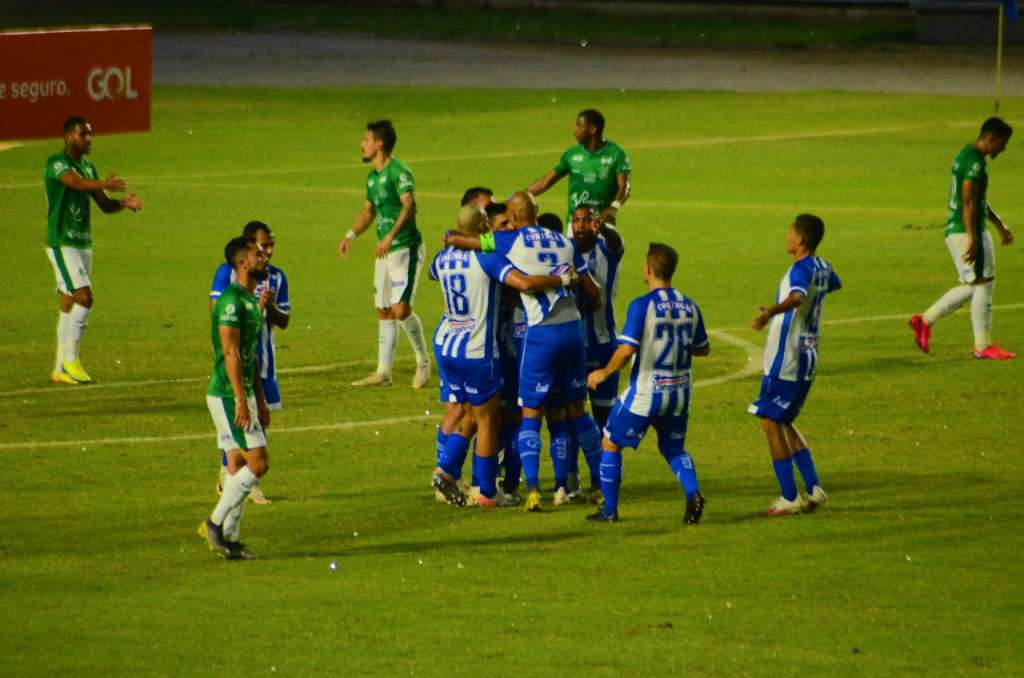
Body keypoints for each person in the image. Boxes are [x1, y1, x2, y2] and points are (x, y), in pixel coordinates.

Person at [445, 192, 605, 512]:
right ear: (537, 212)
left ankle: (532, 489)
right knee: (576, 410)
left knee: (530, 413)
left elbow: (463, 242)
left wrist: (459, 237)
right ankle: (597, 483)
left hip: (540, 335)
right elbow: (593, 292)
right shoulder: (564, 241)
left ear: (515, 218)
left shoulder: (510, 241)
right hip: (574, 331)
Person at [587, 243, 710, 523]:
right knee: (674, 449)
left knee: (610, 441)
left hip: (646, 394)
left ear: (648, 269)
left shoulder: (642, 305)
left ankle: (610, 511)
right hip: (679, 394)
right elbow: (703, 348)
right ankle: (693, 492)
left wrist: (603, 373)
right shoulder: (690, 305)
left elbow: (627, 349)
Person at [749, 214, 841, 516]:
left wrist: (771, 311)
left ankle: (789, 497)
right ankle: (814, 488)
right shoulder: (823, 267)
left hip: (786, 358)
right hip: (808, 354)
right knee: (783, 420)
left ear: (801, 240)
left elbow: (799, 297)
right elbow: (832, 284)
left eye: (791, 232)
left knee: (770, 422)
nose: (787, 236)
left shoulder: (799, 270)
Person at [45, 116, 143, 384]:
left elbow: (104, 205)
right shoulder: (56, 163)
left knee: (68, 302)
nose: (88, 140)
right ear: (67, 137)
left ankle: (58, 369)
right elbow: (73, 183)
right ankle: (70, 360)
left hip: (83, 243)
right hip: (62, 242)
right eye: (82, 134)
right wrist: (103, 184)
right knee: (84, 297)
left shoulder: (88, 168)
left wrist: (123, 202)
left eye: (89, 135)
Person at [909, 117, 1015, 360]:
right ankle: (982, 345)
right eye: (1003, 142)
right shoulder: (975, 164)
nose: (1004, 148)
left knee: (973, 285)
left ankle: (925, 321)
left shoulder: (965, 155)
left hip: (959, 228)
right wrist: (973, 236)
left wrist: (999, 225)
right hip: (967, 229)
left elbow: (977, 200)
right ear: (992, 138)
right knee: (983, 284)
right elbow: (968, 203)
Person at [340, 120, 431, 388]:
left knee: (400, 309)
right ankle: (383, 372)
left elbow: (410, 205)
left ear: (379, 144)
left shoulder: (398, 171)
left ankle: (423, 362)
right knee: (383, 310)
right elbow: (369, 212)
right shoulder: (372, 177)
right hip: (384, 251)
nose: (362, 144)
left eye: (366, 139)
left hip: (405, 247)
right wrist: (350, 235)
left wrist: (390, 235)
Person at [198, 236, 271, 560]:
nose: (265, 257)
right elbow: (229, 352)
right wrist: (242, 400)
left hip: (239, 392)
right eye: (259, 254)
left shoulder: (249, 300)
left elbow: (249, 355)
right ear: (243, 263)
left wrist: (260, 397)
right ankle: (214, 524)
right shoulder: (230, 302)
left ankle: (229, 538)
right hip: (228, 393)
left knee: (237, 464)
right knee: (259, 463)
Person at [210, 221, 290, 505]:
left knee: (257, 418)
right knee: (242, 418)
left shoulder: (276, 277)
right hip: (236, 362)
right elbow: (217, 311)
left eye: (271, 246)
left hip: (263, 360)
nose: (268, 252)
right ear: (248, 248)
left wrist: (268, 307)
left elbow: (285, 320)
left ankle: (238, 482)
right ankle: (234, 477)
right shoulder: (229, 274)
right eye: (263, 246)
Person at [571, 205, 624, 500]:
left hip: (603, 346)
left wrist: (602, 227)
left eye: (586, 220)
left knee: (604, 419)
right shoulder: (564, 250)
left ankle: (602, 481)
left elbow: (616, 243)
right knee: (572, 416)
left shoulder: (607, 250)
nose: (580, 226)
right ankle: (572, 478)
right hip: (574, 348)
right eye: (576, 220)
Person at [526, 109, 631, 227]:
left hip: (603, 223)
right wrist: (521, 197)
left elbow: (625, 186)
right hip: (575, 224)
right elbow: (547, 181)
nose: (575, 131)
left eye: (579, 127)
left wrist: (613, 207)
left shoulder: (616, 154)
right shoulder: (571, 154)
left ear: (592, 130)